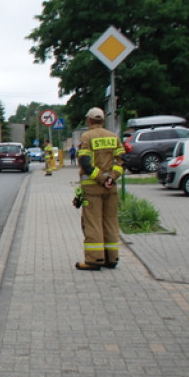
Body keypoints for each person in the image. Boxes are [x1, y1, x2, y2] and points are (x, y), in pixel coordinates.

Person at [76, 107, 126, 271]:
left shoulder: (87, 136)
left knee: (93, 223)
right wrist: (112, 178)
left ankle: (94, 259)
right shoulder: (114, 137)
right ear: (103, 120)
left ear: (89, 120)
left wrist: (101, 178)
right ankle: (112, 258)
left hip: (93, 189)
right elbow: (122, 161)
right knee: (110, 222)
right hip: (111, 188)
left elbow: (85, 163)